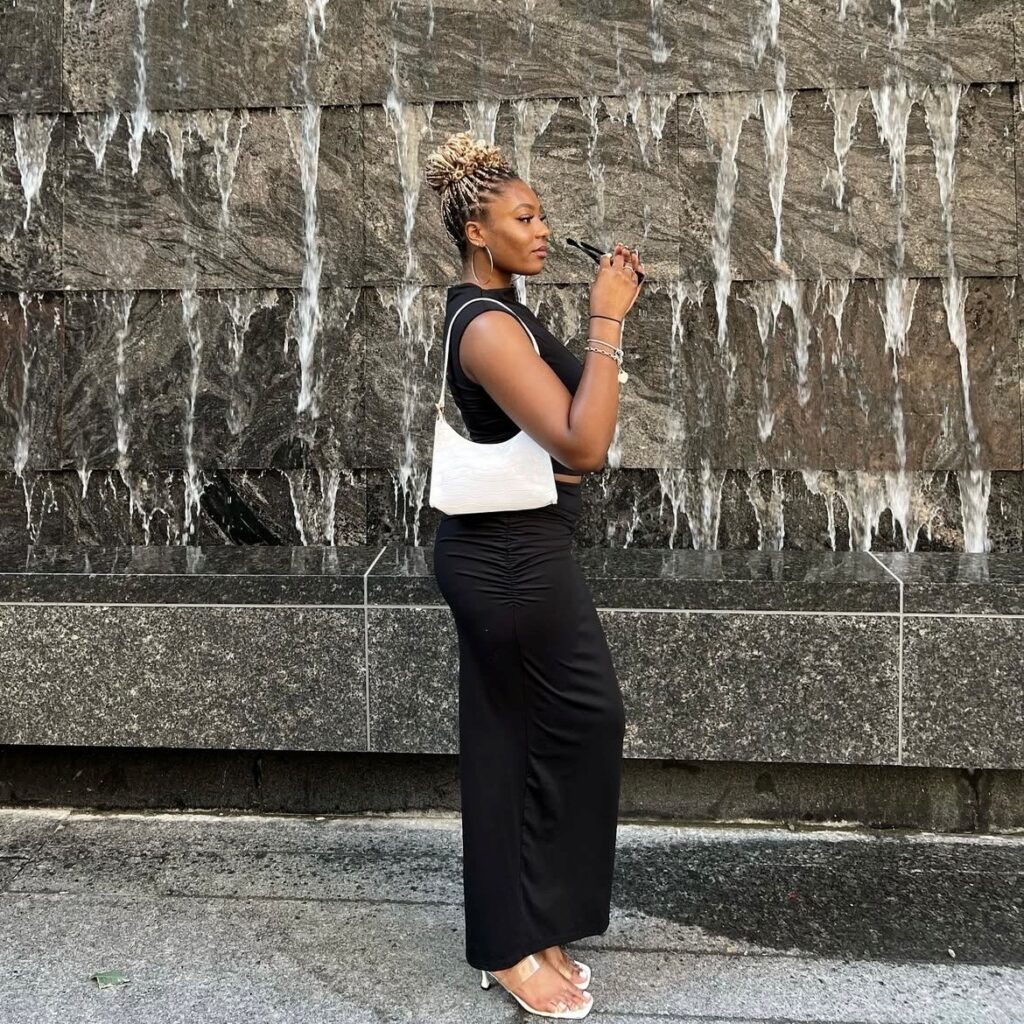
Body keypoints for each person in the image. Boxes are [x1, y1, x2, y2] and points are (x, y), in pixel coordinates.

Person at [424, 131, 643, 1019]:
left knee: (529, 736)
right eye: (524, 216)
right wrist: (607, 320)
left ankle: (528, 927)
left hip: (523, 544)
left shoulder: (506, 311)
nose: (542, 228)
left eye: (543, 213)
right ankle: (512, 943)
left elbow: (568, 447)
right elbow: (585, 437)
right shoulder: (483, 326)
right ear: (478, 230)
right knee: (571, 723)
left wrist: (561, 455)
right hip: (508, 559)